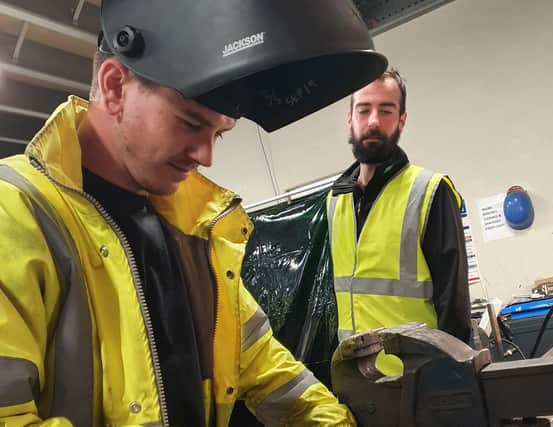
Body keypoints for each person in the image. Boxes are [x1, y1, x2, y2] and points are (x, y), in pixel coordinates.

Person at [0, 1, 388, 425]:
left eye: (218, 134)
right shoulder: (16, 212)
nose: (205, 156)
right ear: (113, 87)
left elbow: (265, 366)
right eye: (189, 123)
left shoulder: (194, 228)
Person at [327, 68, 471, 374]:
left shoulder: (430, 192)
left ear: (401, 120)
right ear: (349, 118)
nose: (374, 121)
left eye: (386, 110)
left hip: (420, 382)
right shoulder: (334, 202)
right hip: (358, 386)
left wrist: (452, 386)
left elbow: (454, 309)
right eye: (364, 109)